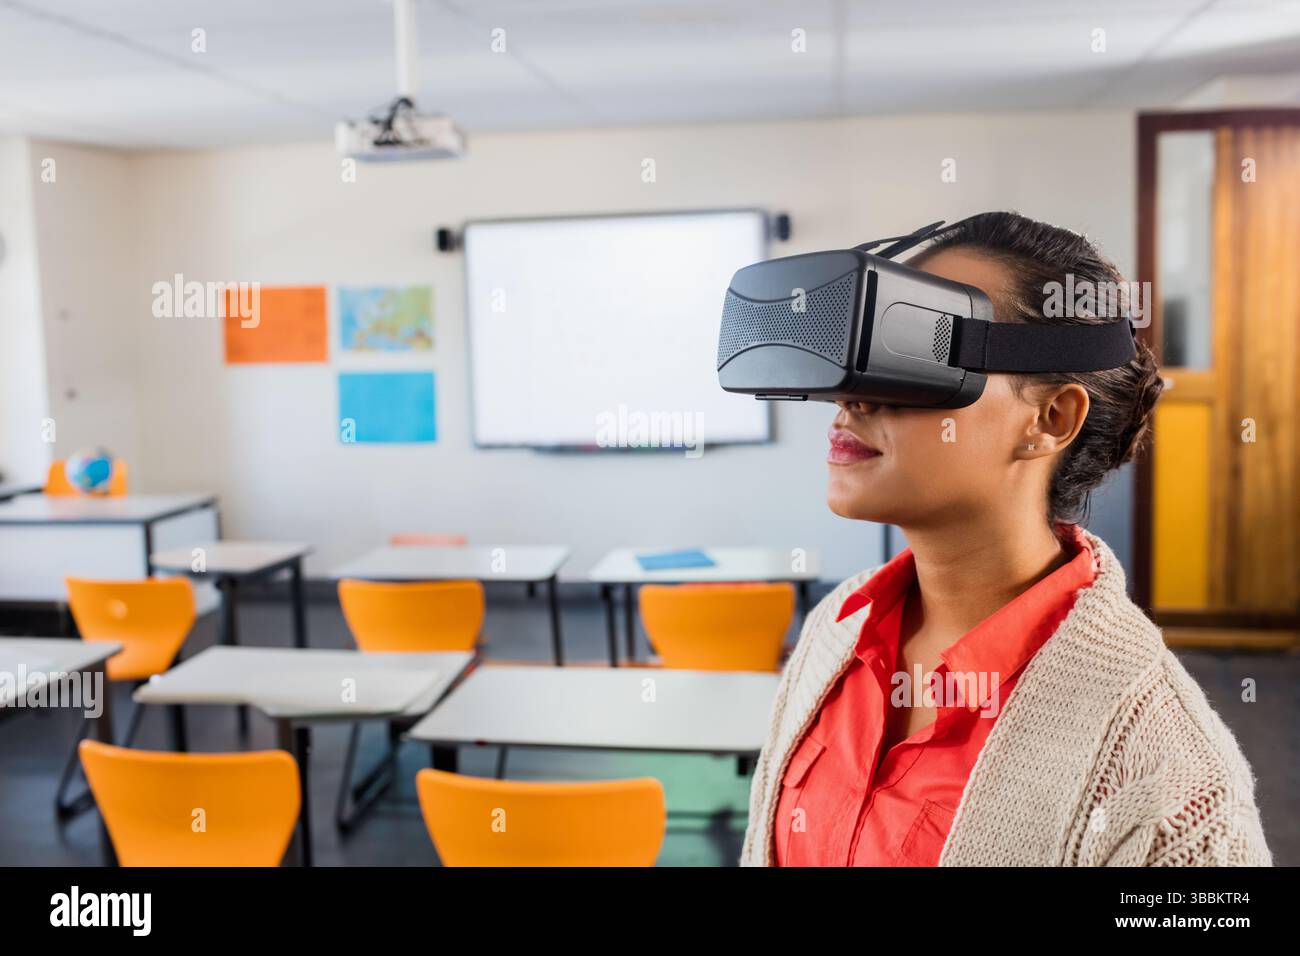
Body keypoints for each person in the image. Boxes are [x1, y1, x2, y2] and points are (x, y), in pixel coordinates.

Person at [740, 211, 1272, 866]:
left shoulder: (1170, 784)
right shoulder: (836, 630)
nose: (852, 398)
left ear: (1051, 419)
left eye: (913, 347)